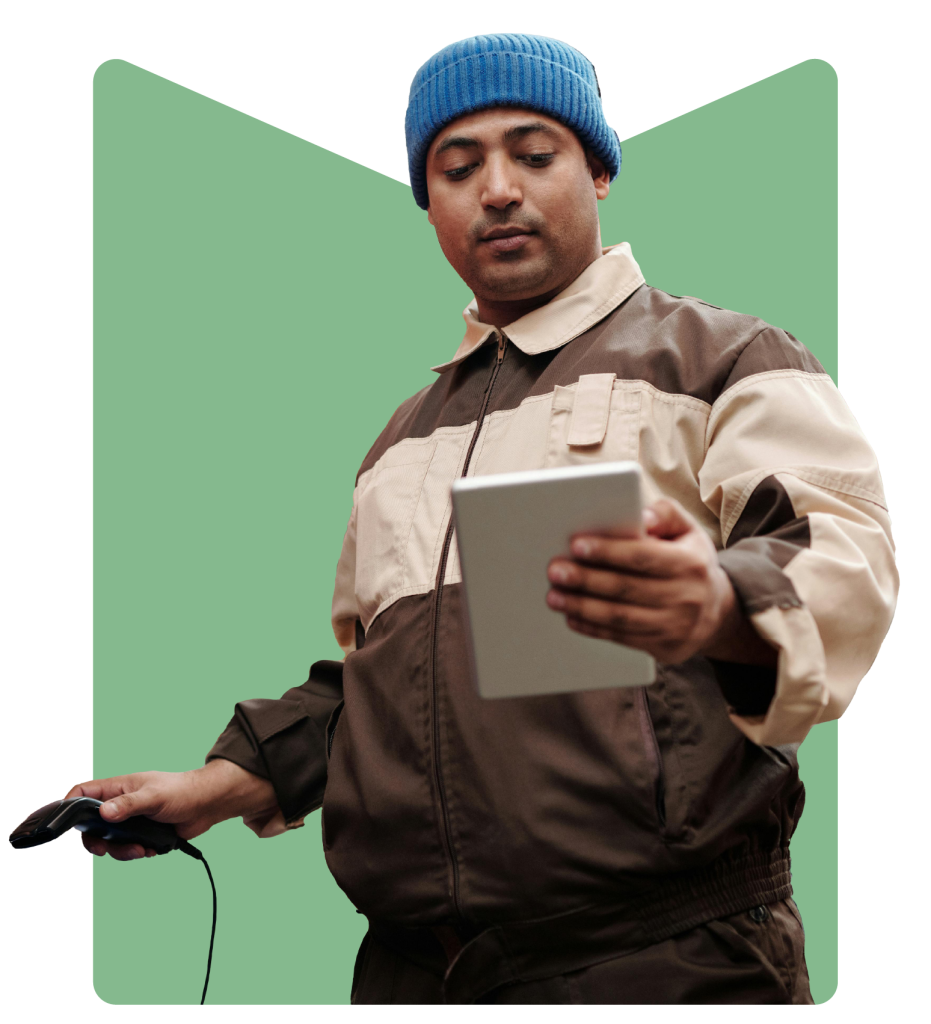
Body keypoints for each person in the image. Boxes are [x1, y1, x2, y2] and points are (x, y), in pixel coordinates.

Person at [73, 36, 894, 1004]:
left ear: (598, 168)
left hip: (659, 963)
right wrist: (219, 787)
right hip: (415, 975)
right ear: (427, 202)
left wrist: (717, 602)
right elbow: (382, 686)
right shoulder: (400, 442)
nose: (497, 190)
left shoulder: (723, 359)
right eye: (456, 169)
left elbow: (843, 560)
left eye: (534, 154)